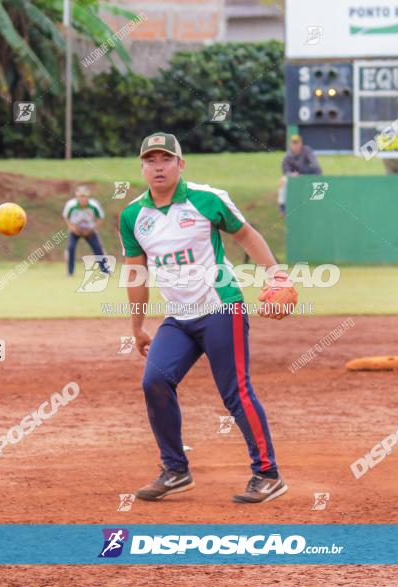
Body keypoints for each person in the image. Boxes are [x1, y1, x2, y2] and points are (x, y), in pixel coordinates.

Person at [119, 132, 289, 504]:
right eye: (151, 160)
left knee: (235, 392)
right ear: (142, 167)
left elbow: (247, 235)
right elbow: (136, 273)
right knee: (155, 382)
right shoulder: (133, 215)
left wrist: (276, 273)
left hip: (221, 307)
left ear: (181, 164)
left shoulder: (206, 200)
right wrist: (137, 327)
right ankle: (175, 470)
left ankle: (267, 474)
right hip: (179, 316)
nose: (158, 166)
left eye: (166, 159)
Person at [62, 185, 110, 276]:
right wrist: (72, 228)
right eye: (81, 196)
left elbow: (100, 217)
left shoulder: (94, 205)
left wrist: (93, 228)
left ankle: (105, 271)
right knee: (71, 248)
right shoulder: (70, 205)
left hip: (90, 230)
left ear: (88, 196)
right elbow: (66, 217)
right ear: (77, 196)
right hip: (75, 230)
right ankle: (70, 272)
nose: (82, 198)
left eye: (84, 196)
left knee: (98, 248)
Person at [279, 134, 322, 215]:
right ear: (290, 144)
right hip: (294, 177)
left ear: (301, 143)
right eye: (294, 143)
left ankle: (319, 203)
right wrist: (292, 175)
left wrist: (306, 173)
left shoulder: (307, 150)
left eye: (297, 143)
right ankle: (282, 207)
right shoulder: (287, 156)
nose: (296, 145)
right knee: (283, 180)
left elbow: (316, 165)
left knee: (318, 177)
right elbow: (285, 171)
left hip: (307, 175)